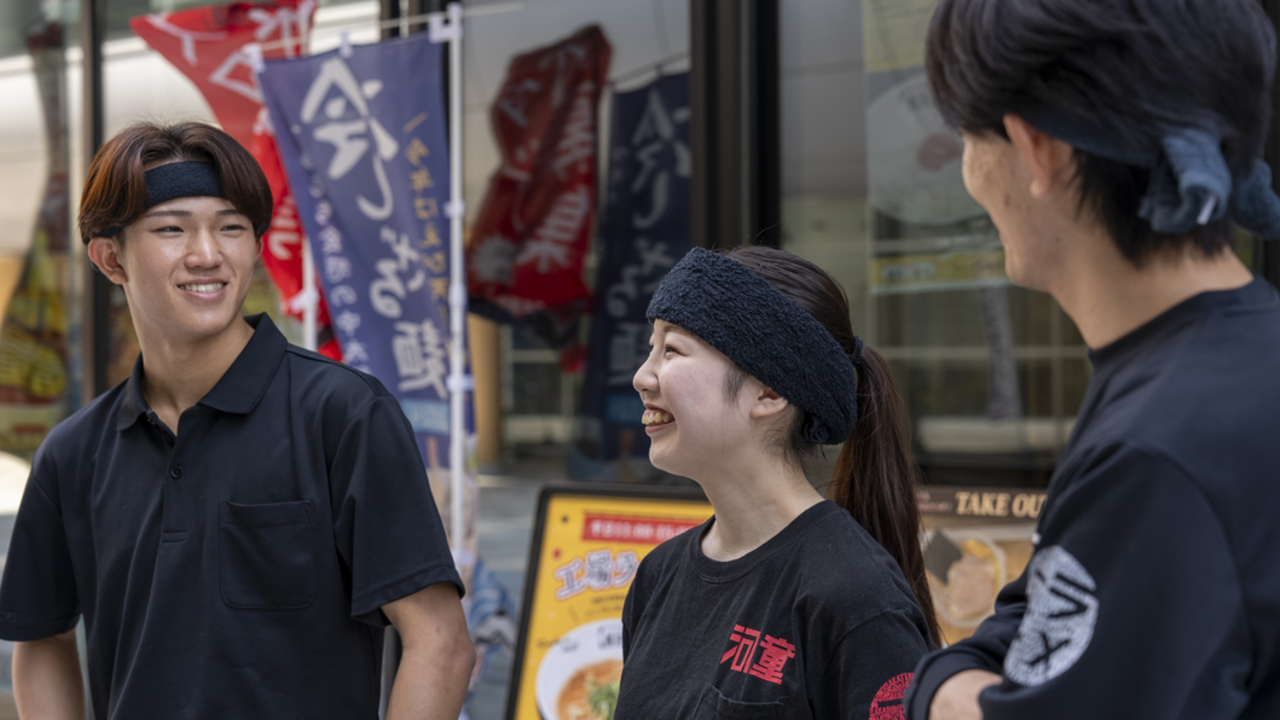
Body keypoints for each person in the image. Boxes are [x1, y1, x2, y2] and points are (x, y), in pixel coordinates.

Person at [0, 122, 474, 719]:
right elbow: (41, 636)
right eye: (171, 229)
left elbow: (440, 642)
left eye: (231, 227)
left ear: (254, 246)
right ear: (110, 257)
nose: (207, 254)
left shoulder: (344, 414)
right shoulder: (73, 452)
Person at [903, 1, 1280, 719]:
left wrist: (942, 690)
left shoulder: (1159, 451)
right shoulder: (1224, 367)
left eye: (968, 139)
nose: (970, 174)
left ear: (1035, 148)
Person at [615, 245, 938, 719]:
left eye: (672, 350)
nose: (643, 377)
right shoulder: (658, 575)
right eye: (651, 350)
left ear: (769, 392)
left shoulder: (854, 595)